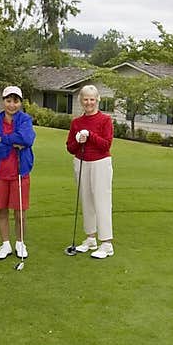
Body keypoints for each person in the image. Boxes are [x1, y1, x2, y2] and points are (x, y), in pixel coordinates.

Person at [0, 86, 35, 259]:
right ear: (3, 101)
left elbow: (27, 139)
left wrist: (4, 139)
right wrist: (13, 144)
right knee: (2, 210)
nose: (12, 105)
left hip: (20, 172)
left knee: (20, 212)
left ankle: (20, 243)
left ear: (20, 103)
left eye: (15, 101)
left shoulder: (25, 120)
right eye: (8, 100)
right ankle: (5, 244)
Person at [65, 84, 114, 258]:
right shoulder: (76, 122)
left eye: (92, 99)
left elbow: (106, 145)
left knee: (102, 201)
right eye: (85, 99)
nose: (89, 102)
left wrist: (90, 136)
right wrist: (79, 140)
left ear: (97, 100)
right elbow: (70, 148)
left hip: (100, 163)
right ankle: (90, 238)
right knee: (86, 200)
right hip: (81, 162)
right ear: (81, 100)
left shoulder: (105, 120)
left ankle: (106, 243)